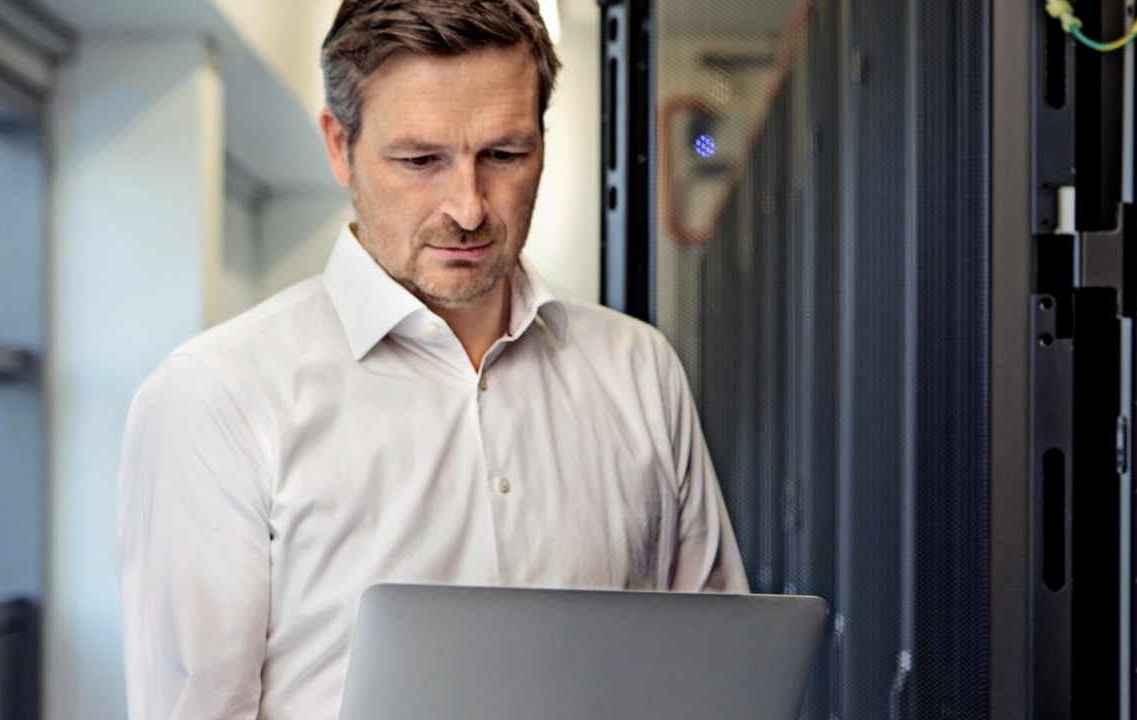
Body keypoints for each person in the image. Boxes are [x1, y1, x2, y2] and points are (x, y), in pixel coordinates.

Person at [115, 1, 747, 718]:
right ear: (338, 144)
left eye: (505, 155)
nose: (470, 207)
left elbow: (718, 679)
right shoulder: (217, 398)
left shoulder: (639, 371)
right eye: (420, 161)